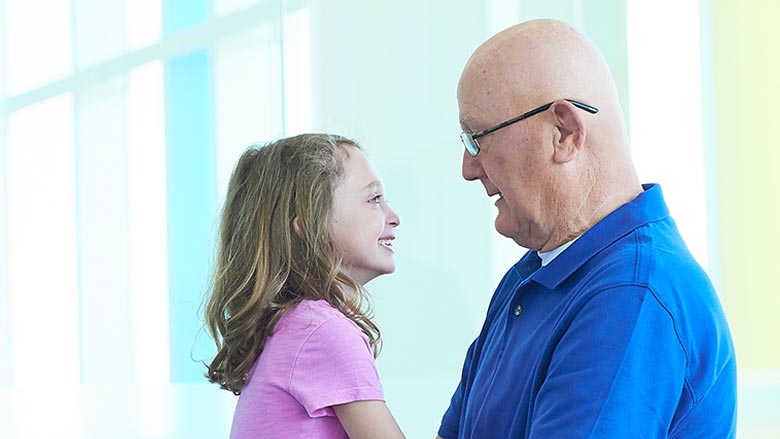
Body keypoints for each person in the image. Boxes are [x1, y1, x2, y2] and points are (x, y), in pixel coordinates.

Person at [437, 19, 737, 439]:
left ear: (563, 132)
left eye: (476, 139)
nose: (468, 169)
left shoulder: (630, 294)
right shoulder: (530, 280)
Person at [203, 133, 405, 438]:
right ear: (311, 224)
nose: (394, 217)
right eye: (373, 199)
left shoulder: (292, 327)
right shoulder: (321, 331)